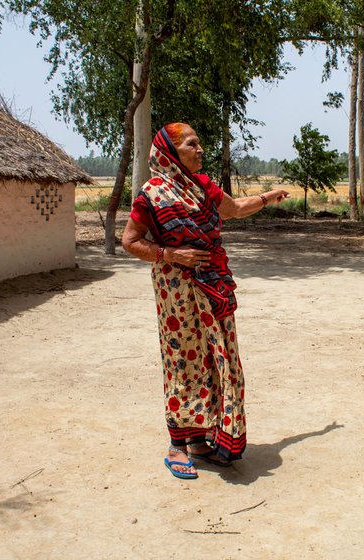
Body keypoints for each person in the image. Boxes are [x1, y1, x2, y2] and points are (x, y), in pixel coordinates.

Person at [122, 122, 289, 479]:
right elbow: (130, 241)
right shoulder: (151, 194)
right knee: (183, 359)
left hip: (214, 285)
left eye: (200, 144)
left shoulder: (204, 186)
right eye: (192, 144)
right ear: (171, 153)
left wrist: (267, 197)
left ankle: (201, 439)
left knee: (219, 358)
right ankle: (178, 444)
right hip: (177, 292)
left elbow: (235, 209)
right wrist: (170, 254)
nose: (200, 150)